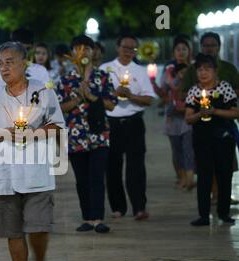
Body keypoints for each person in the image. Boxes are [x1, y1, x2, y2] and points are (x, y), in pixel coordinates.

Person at [0, 41, 65, 261]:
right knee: (12, 230)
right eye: (0, 63)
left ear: (24, 63)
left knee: (38, 226)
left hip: (36, 169)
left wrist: (34, 133)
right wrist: (7, 133)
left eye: (9, 62)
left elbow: (57, 125)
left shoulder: (42, 91)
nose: (3, 68)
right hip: (4, 172)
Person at [57, 35, 117, 233]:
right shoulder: (65, 80)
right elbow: (59, 108)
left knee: (97, 176)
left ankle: (98, 218)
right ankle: (87, 218)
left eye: (86, 48)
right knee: (82, 179)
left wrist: (92, 97)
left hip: (99, 134)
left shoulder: (103, 77)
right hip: (76, 136)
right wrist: (77, 99)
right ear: (72, 53)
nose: (82, 52)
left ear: (93, 52)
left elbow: (112, 104)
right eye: (77, 48)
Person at [99, 34, 155, 220]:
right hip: (111, 122)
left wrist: (131, 96)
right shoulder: (105, 69)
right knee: (112, 166)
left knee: (136, 166)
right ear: (117, 47)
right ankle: (118, 207)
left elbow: (148, 99)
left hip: (134, 121)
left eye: (132, 49)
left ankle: (139, 207)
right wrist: (115, 94)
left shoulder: (139, 70)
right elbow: (99, 98)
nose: (128, 52)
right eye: (125, 47)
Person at [185, 54, 238, 226]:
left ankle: (224, 213)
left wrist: (215, 111)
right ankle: (203, 215)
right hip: (202, 140)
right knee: (205, 176)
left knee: (224, 175)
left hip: (223, 138)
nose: (203, 73)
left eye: (207, 69)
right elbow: (188, 118)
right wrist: (200, 113)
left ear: (215, 71)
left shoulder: (224, 88)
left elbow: (235, 112)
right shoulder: (194, 91)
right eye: (200, 69)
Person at [153, 37, 195, 190]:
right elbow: (163, 92)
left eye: (184, 49)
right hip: (173, 115)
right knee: (176, 148)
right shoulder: (169, 70)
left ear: (189, 51)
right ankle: (182, 177)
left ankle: (190, 178)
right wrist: (153, 83)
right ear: (174, 52)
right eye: (178, 49)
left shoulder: (196, 68)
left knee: (188, 147)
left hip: (190, 113)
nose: (181, 52)